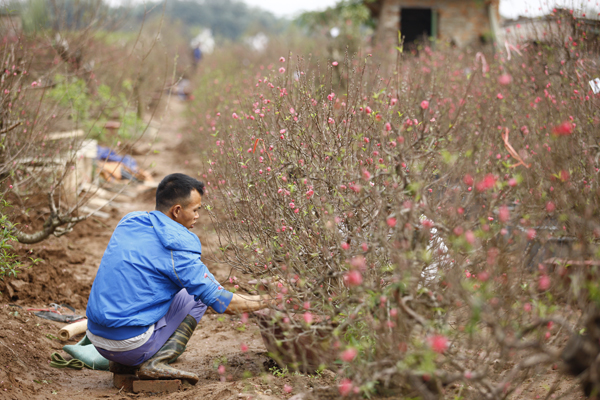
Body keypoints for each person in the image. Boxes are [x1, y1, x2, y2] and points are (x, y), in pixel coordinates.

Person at [86, 173, 272, 384]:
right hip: (130, 345)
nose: (197, 216)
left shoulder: (130, 221)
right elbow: (222, 302)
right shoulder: (178, 245)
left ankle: (122, 366)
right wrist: (270, 300)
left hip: (97, 339)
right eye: (195, 210)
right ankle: (155, 362)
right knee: (199, 296)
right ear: (177, 210)